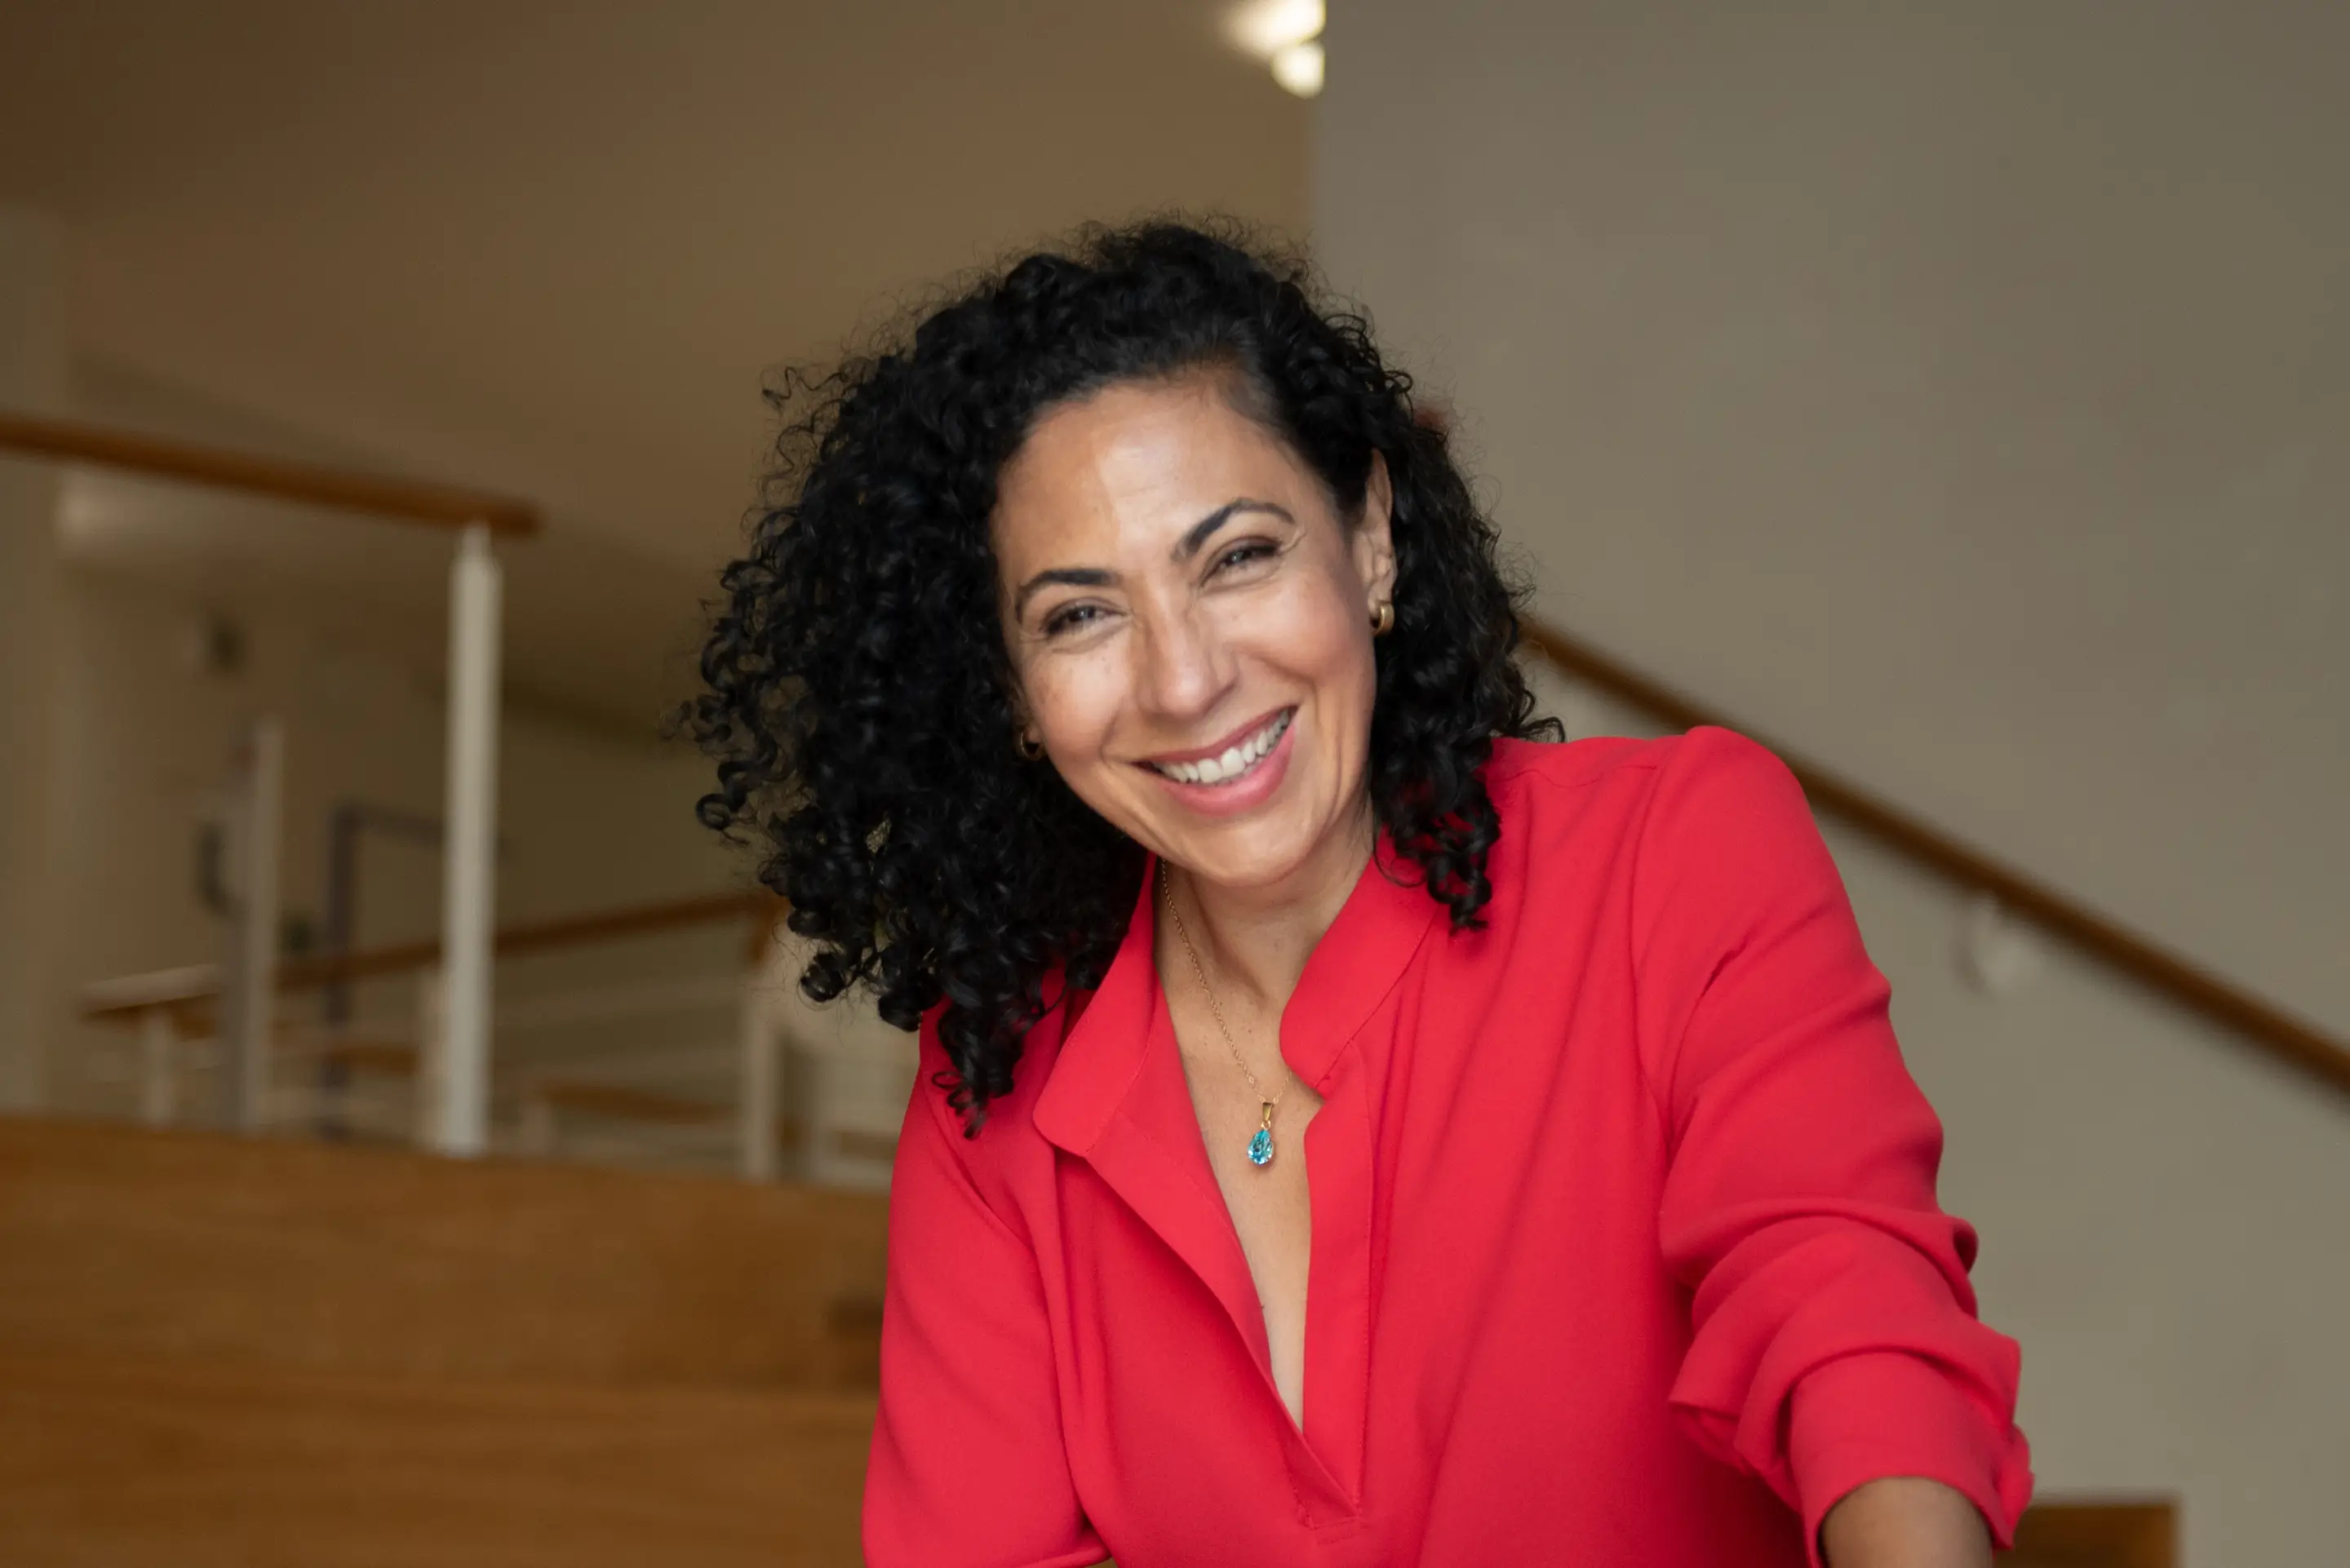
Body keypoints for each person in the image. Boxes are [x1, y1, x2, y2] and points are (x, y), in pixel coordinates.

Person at [693, 220, 2031, 1567]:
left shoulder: (1671, 852)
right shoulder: (992, 1090)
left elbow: (1852, 1323)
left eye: (1237, 556)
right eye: (1080, 615)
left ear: (1372, 536)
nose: (1184, 681)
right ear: (1013, 695)